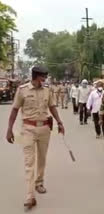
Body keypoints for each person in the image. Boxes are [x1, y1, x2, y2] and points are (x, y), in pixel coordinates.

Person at [6, 66, 65, 211]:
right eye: (43, 76)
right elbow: (14, 109)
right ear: (36, 76)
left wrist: (59, 122)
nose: (45, 79)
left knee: (42, 158)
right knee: (29, 162)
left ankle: (39, 182)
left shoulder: (47, 90)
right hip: (28, 129)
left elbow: (52, 107)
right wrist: (9, 129)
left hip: (44, 129)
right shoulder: (22, 90)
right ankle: (29, 195)